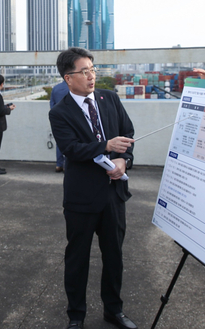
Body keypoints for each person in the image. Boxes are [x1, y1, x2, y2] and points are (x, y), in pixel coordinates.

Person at [49, 48, 137, 329]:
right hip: (82, 198)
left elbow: (127, 133)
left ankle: (114, 310)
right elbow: (71, 149)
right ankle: (76, 316)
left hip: (113, 194)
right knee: (77, 259)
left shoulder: (109, 98)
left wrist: (123, 160)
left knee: (114, 256)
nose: (91, 76)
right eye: (84, 71)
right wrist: (106, 146)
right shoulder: (59, 112)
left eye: (93, 69)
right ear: (68, 78)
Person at [50, 80, 70, 172]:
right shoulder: (72, 88)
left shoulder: (56, 88)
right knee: (70, 142)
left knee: (59, 142)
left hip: (58, 118)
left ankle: (59, 164)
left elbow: (52, 104)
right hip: (70, 118)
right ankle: (66, 165)